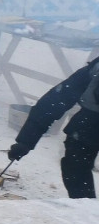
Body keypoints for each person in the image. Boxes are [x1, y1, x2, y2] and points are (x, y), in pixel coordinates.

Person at [8, 56, 99, 198]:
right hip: (91, 121)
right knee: (75, 165)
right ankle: (85, 207)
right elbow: (57, 99)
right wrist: (26, 141)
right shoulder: (95, 70)